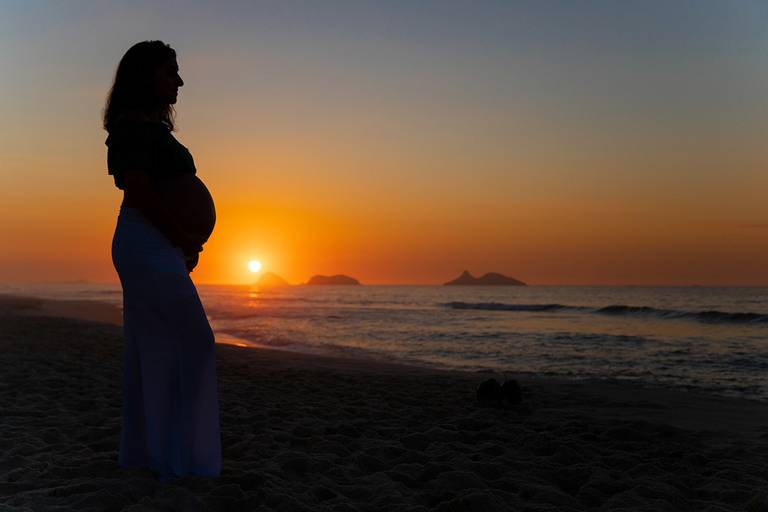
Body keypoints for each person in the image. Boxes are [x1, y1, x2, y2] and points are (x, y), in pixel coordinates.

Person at [104, 40, 222, 482]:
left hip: (157, 244)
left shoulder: (149, 129)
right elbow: (140, 192)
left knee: (153, 346)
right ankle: (183, 458)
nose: (179, 80)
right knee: (194, 343)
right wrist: (183, 238)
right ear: (146, 76)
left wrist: (183, 242)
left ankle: (152, 452)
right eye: (170, 71)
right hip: (147, 243)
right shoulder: (130, 129)